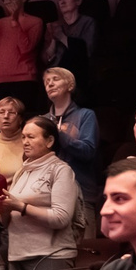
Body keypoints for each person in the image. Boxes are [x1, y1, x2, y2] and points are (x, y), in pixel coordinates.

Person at [0, 113, 79, 270]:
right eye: (23, 137)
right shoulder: (21, 171)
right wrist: (3, 210)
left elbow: (61, 218)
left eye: (31, 137)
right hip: (17, 255)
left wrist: (20, 206)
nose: (25, 142)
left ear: (49, 141)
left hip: (51, 257)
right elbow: (5, 221)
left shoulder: (61, 170)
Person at [42, 68, 100, 204]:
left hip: (80, 194)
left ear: (70, 85)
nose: (50, 84)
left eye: (55, 79)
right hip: (48, 194)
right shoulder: (42, 121)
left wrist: (58, 134)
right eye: (46, 82)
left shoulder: (86, 115)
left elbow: (88, 151)